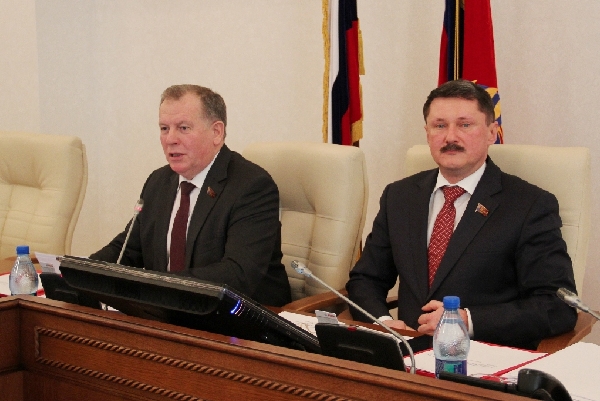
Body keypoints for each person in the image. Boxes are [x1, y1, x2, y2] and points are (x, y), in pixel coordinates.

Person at [346, 80, 577, 349]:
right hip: (406, 353)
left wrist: (467, 320)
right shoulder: (399, 196)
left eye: (465, 125)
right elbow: (366, 280)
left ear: (492, 133)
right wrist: (384, 322)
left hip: (482, 355)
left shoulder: (529, 205)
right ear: (427, 133)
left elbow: (556, 306)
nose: (450, 137)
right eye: (439, 126)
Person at [90, 84, 291, 306]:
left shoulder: (251, 186)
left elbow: (237, 274)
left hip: (237, 318)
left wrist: (156, 288)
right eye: (164, 128)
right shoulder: (158, 182)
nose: (170, 139)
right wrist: (78, 272)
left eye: (183, 128)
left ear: (216, 132)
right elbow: (127, 251)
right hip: (168, 311)